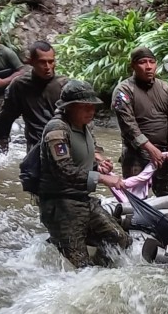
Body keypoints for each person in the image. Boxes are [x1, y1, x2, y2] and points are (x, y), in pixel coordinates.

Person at [39, 79, 131, 267]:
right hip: (61, 206)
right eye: (85, 107)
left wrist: (98, 167)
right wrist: (103, 178)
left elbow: (80, 163)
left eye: (93, 106)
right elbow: (65, 171)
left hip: (83, 200)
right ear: (70, 107)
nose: (92, 111)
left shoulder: (85, 126)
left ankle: (102, 275)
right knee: (81, 267)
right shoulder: (57, 130)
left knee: (120, 239)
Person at [111, 46, 168, 197]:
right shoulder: (123, 91)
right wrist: (150, 149)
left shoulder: (167, 89)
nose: (148, 66)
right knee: (134, 200)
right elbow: (128, 125)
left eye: (152, 62)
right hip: (136, 153)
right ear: (133, 65)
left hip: (165, 152)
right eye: (143, 62)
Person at [0, 40, 67, 160]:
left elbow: (82, 119)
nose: (48, 67)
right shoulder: (20, 85)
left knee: (74, 173)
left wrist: (93, 150)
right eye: (42, 62)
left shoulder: (64, 85)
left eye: (51, 61)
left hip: (63, 143)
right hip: (36, 146)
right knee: (30, 176)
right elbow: (6, 116)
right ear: (31, 62)